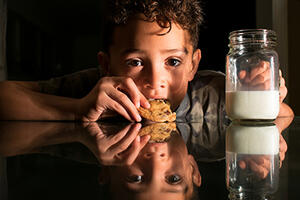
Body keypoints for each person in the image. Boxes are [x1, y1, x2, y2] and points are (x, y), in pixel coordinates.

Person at [0, 0, 293, 122]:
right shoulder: (94, 91)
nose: (155, 81)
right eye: (135, 62)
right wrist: (78, 109)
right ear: (107, 65)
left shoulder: (214, 94)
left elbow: (285, 114)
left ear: (194, 65)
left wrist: (266, 94)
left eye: (174, 62)